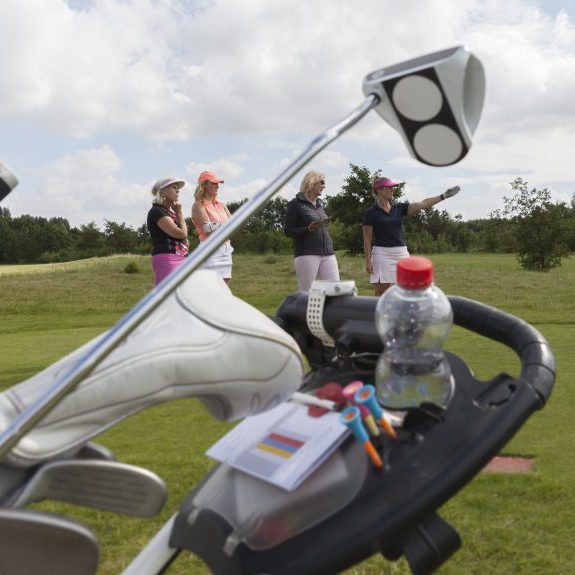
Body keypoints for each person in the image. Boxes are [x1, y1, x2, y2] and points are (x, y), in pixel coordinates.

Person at [362, 175, 460, 296]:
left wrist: (443, 196)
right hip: (381, 255)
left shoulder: (399, 208)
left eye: (393, 188)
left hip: (401, 254)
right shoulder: (371, 213)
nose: (393, 190)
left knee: (406, 290)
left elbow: (422, 204)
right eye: (389, 187)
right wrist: (368, 261)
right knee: (380, 294)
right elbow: (367, 240)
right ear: (380, 189)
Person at [284, 170, 339, 291]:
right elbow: (288, 231)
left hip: (328, 253)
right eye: (321, 182)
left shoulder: (320, 204)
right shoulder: (295, 204)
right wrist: (307, 229)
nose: (324, 186)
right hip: (307, 254)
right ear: (311, 182)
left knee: (335, 290)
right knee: (307, 293)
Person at [191, 170, 233, 283]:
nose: (217, 186)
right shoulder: (198, 205)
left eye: (217, 183)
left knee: (223, 285)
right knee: (210, 285)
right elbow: (208, 229)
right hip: (210, 248)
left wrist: (220, 226)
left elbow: (234, 225)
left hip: (226, 248)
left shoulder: (221, 204)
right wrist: (227, 225)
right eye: (214, 183)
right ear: (204, 185)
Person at [147, 177, 189, 286]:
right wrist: (180, 213)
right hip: (168, 258)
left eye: (178, 188)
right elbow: (182, 233)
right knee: (169, 293)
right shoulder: (157, 211)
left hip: (180, 258)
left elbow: (184, 236)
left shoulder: (170, 213)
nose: (178, 191)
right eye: (174, 188)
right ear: (163, 192)